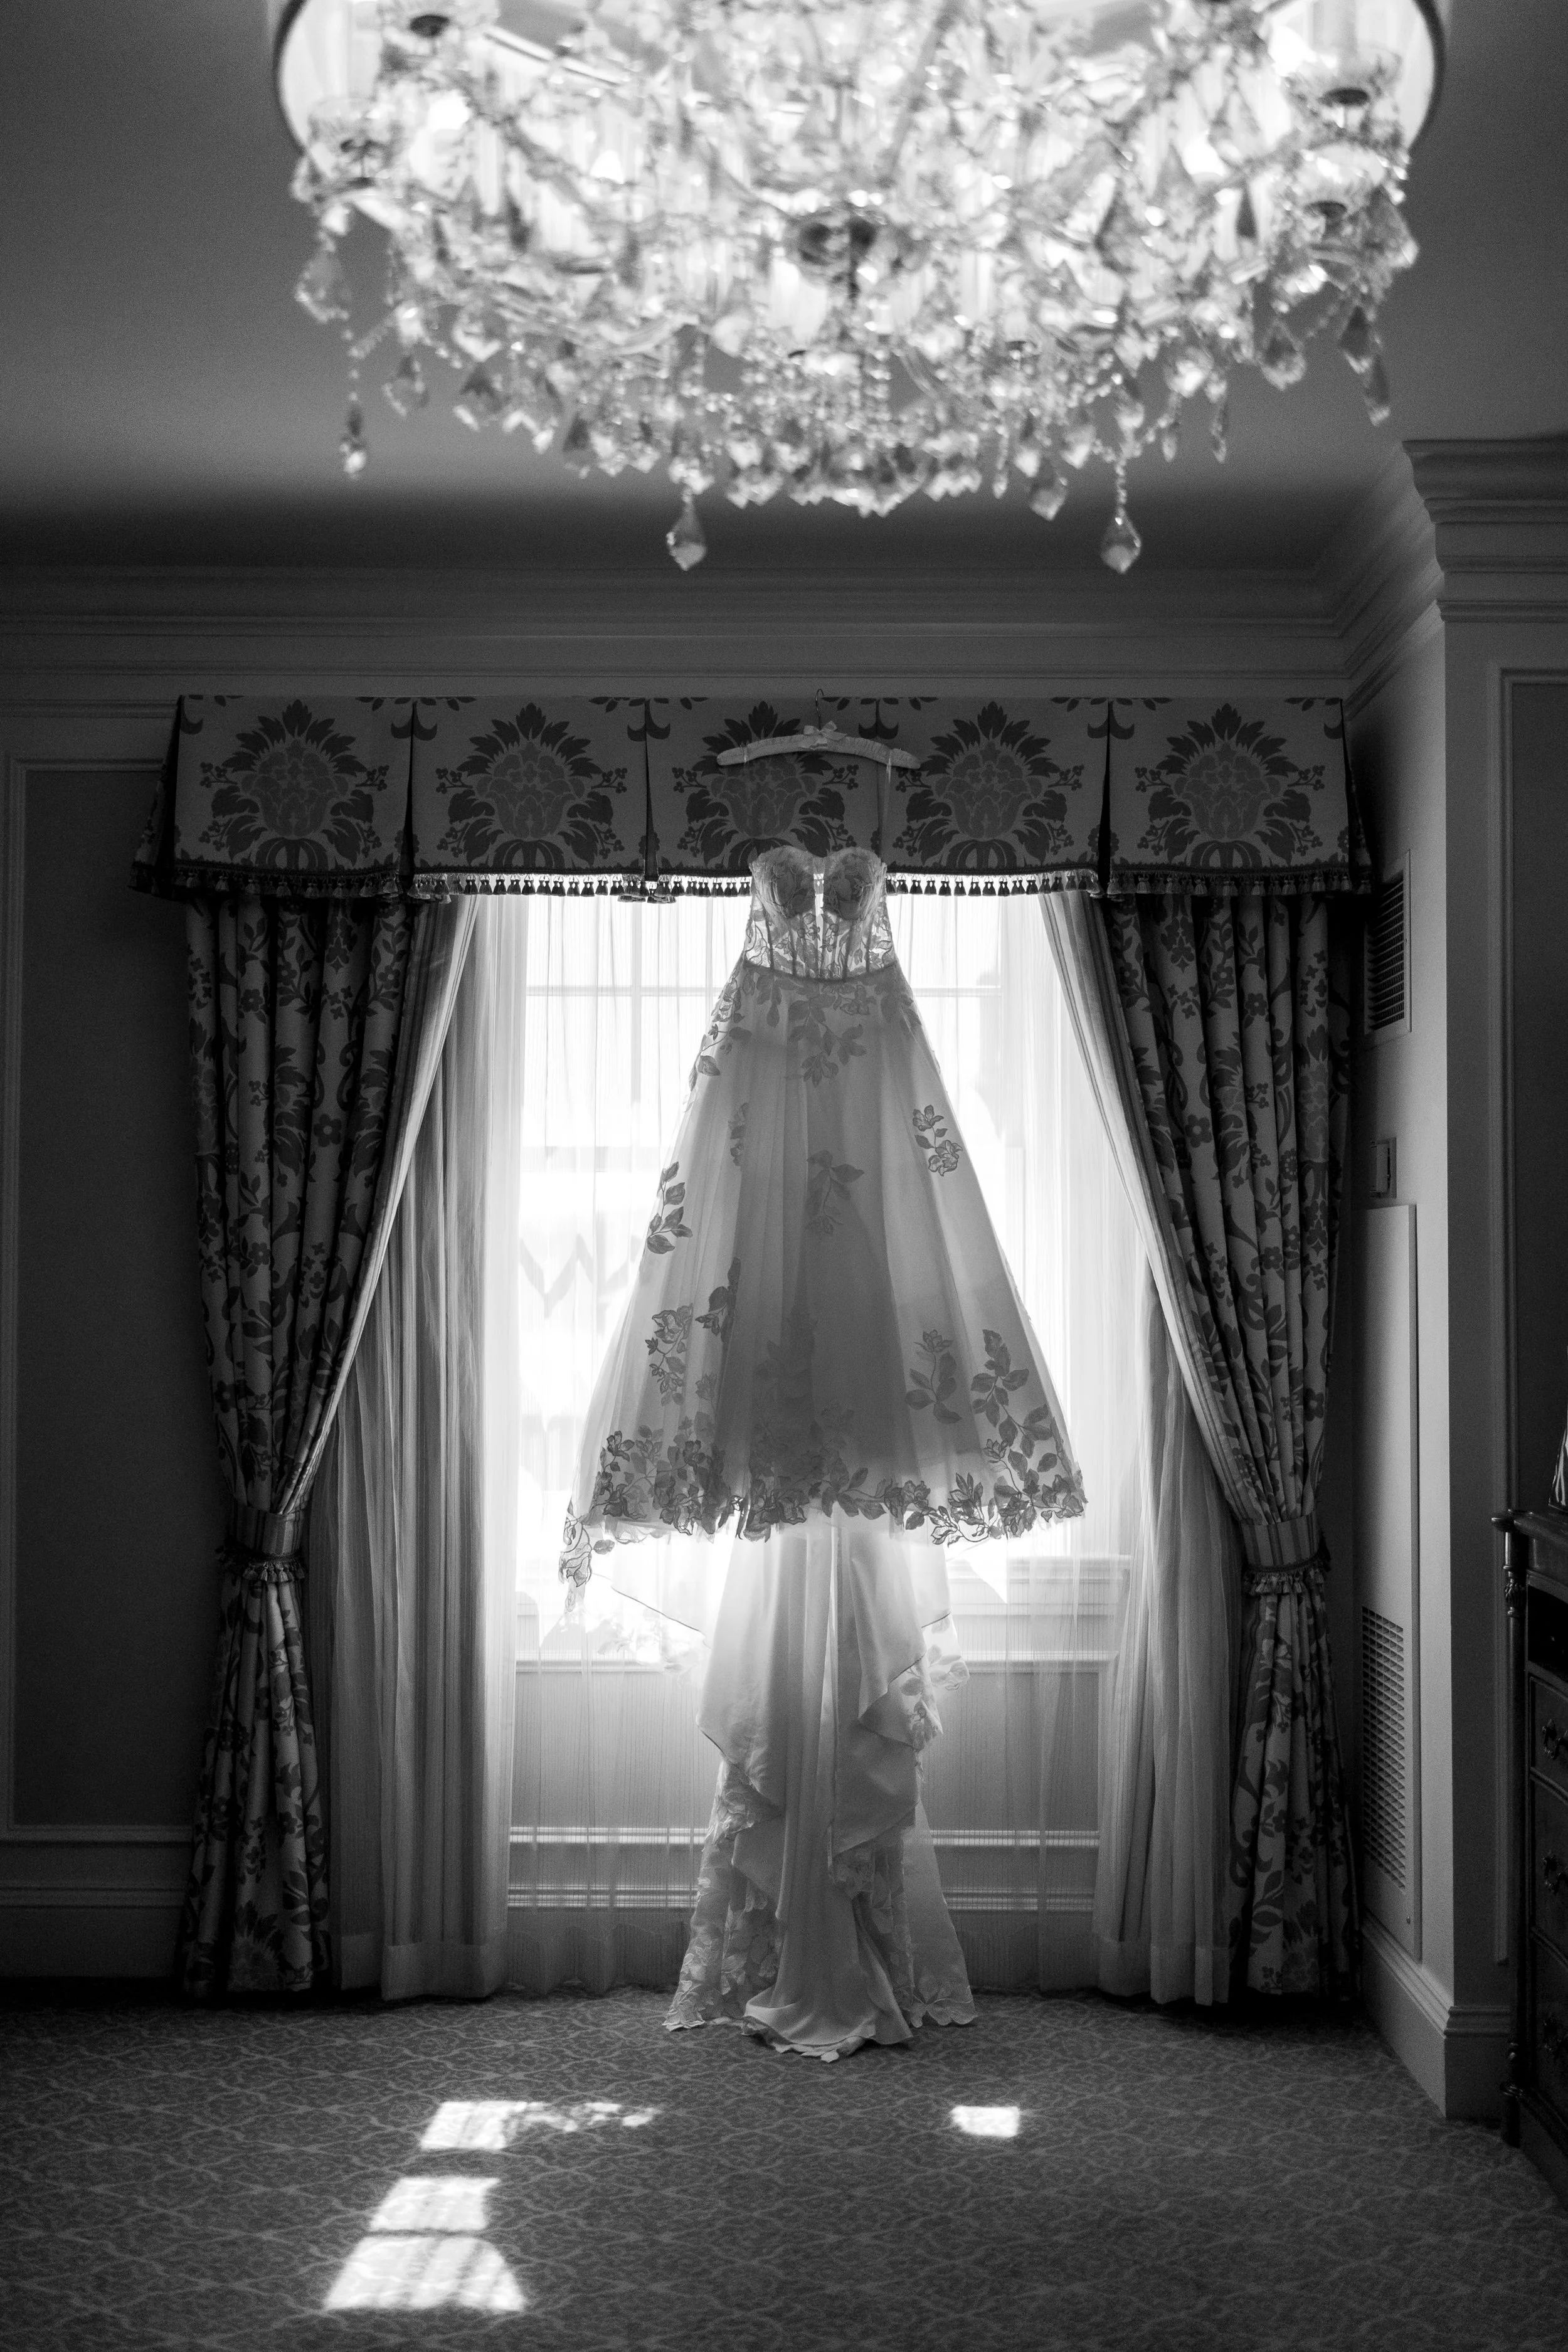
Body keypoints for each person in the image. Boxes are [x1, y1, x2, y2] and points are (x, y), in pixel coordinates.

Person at [560, 843, 1084, 2058]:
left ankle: (844, 1944)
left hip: (862, 1312)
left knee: (850, 1621)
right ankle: (811, 1943)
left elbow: (918, 1167)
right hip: (772, 1301)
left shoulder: (880, 994)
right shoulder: (753, 991)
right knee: (806, 1612)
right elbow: (723, 1154)